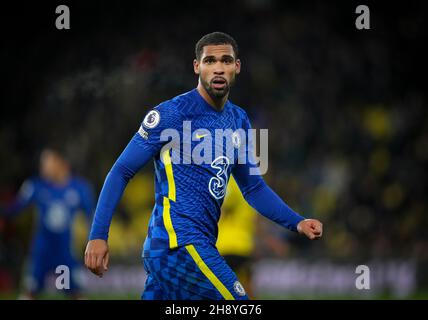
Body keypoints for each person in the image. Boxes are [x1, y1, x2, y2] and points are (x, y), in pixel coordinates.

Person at [85, 32, 323, 300]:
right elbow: (121, 171)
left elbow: (254, 187)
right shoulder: (171, 114)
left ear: (237, 67)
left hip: (183, 247)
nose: (218, 67)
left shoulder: (239, 120)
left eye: (226, 60)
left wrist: (298, 222)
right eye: (210, 61)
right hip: (179, 244)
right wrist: (98, 235)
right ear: (197, 67)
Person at [2, 148, 95, 299]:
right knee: (29, 292)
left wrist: (92, 240)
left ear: (60, 163)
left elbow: (91, 217)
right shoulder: (35, 186)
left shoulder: (80, 188)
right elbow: (14, 209)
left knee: (75, 293)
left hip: (65, 251)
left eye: (47, 162)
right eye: (42, 163)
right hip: (41, 251)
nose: (43, 167)